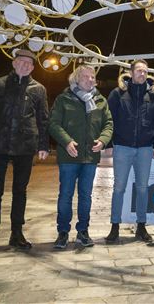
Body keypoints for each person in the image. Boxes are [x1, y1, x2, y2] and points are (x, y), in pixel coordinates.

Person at [0, 49, 49, 254]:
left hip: (25, 146)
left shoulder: (38, 89)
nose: (25, 66)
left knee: (20, 191)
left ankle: (16, 233)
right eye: (21, 62)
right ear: (14, 63)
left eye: (29, 64)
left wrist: (43, 145)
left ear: (32, 68)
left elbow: (43, 120)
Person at [49, 65, 112, 249]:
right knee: (66, 195)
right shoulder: (64, 99)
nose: (90, 80)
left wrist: (103, 140)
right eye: (86, 77)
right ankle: (62, 232)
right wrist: (67, 141)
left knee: (86, 196)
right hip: (69, 157)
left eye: (92, 77)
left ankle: (83, 231)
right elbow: (53, 124)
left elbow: (108, 124)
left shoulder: (100, 100)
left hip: (90, 158)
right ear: (76, 79)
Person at [105, 60, 154, 244]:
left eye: (145, 71)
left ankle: (141, 226)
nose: (142, 74)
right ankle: (115, 226)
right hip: (122, 146)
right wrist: (110, 143)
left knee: (143, 188)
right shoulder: (118, 93)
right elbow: (109, 119)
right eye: (139, 70)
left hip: (145, 148)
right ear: (131, 72)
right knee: (119, 187)